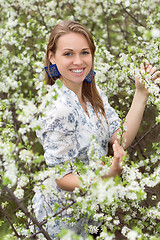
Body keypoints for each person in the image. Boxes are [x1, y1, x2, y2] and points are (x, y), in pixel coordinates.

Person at [33, 20, 160, 239]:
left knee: (100, 234)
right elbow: (61, 177)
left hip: (92, 214)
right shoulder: (57, 109)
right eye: (68, 54)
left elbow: (118, 137)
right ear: (52, 57)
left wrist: (141, 93)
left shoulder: (92, 93)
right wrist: (104, 176)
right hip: (61, 222)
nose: (78, 61)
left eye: (85, 52)